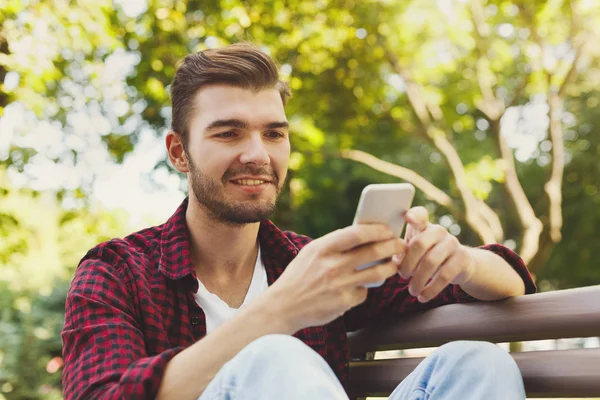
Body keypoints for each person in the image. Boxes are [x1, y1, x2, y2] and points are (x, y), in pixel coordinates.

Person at [61, 43, 536, 400]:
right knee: (275, 354)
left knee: (477, 363)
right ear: (179, 153)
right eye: (228, 133)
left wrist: (460, 262)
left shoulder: (309, 261)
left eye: (274, 133)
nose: (257, 154)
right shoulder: (116, 271)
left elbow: (512, 278)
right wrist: (281, 310)